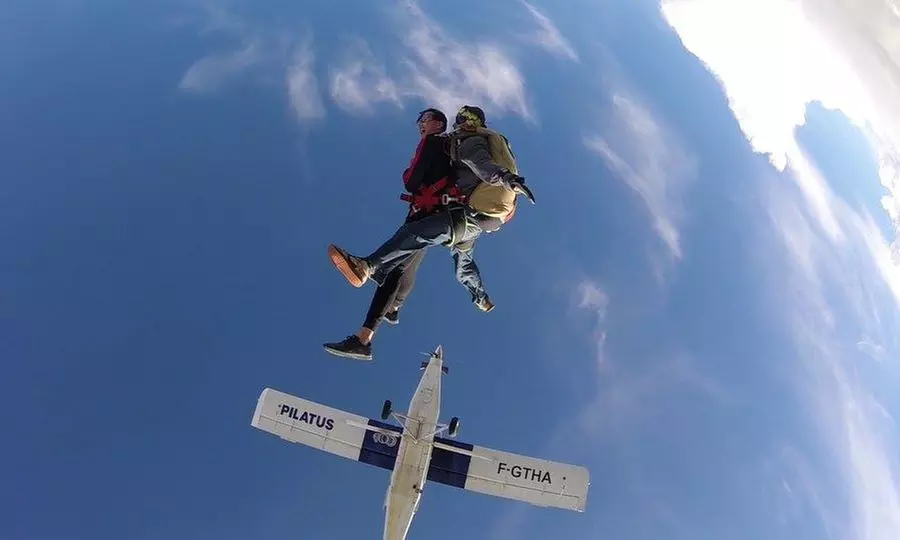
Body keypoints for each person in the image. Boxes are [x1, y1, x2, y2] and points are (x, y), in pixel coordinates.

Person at [326, 105, 535, 321]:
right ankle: (480, 299)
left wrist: (505, 178)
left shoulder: (469, 140)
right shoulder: (482, 141)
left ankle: (366, 267)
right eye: (461, 119)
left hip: (466, 215)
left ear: (473, 122)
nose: (462, 122)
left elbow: (479, 162)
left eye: (465, 118)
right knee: (463, 263)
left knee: (414, 234)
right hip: (481, 221)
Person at [323, 108, 455, 361]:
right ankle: (390, 309)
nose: (420, 126)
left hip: (426, 214)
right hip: (444, 215)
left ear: (438, 124)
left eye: (424, 120)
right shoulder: (451, 148)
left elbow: (411, 180)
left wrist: (410, 176)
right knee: (398, 269)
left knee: (394, 265)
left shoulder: (432, 142)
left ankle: (368, 274)